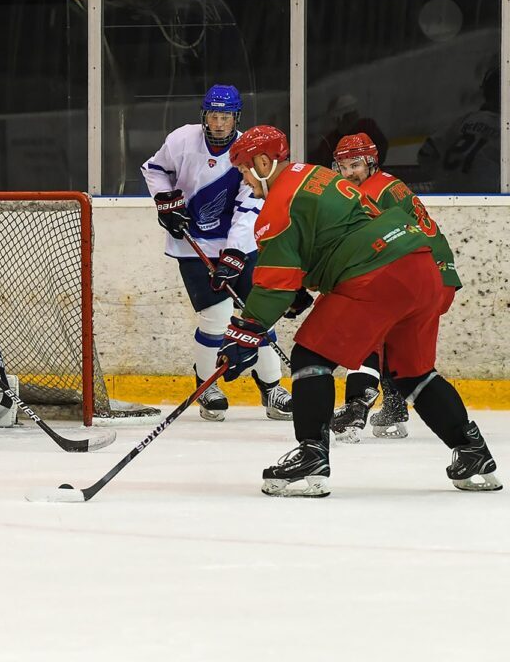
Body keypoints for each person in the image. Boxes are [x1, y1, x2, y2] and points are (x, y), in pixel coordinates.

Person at [217, 125, 500, 497]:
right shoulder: (315, 175)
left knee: (309, 354)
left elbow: (272, 286)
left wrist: (243, 332)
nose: (244, 181)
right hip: (419, 268)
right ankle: (472, 451)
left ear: (264, 162)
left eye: (243, 170)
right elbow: (330, 237)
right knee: (413, 372)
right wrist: (302, 287)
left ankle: (311, 455)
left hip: (377, 275)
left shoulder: (277, 203)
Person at [141, 84, 292, 422]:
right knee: (217, 316)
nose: (219, 122)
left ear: (236, 117)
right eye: (213, 114)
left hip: (240, 243)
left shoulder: (247, 151)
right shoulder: (182, 139)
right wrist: (166, 202)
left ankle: (271, 388)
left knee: (257, 314)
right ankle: (207, 385)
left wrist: (235, 254)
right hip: (192, 245)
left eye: (225, 115)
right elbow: (154, 169)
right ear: (204, 115)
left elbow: (247, 209)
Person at [327, 132, 462, 442]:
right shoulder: (389, 184)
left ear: (372, 163)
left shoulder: (370, 193)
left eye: (355, 165)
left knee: (365, 330)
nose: (348, 173)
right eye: (343, 166)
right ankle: (395, 408)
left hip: (420, 276)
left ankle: (355, 408)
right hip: (440, 279)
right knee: (395, 343)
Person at [416, 68, 499, 193]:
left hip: (443, 199)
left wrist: (447, 178)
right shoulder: (504, 128)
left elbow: (426, 153)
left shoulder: (464, 121)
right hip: (483, 204)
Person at [310, 93, 389, 168]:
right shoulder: (328, 143)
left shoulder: (368, 126)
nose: (356, 115)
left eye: (355, 112)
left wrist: (368, 168)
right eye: (352, 113)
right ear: (341, 118)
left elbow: (381, 147)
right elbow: (320, 162)